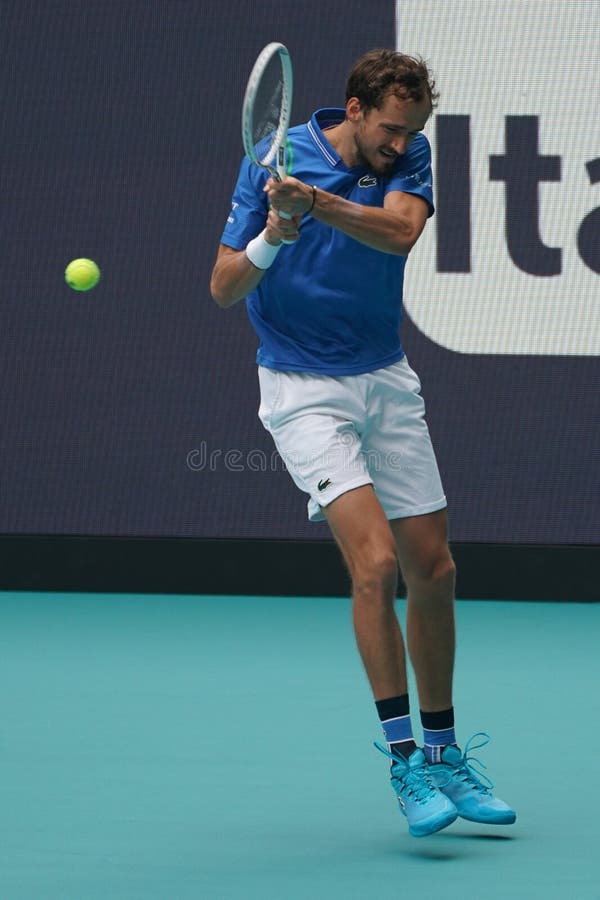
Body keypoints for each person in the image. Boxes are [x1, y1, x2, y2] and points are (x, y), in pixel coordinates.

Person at [210, 48, 516, 838]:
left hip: (384, 377)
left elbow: (402, 233)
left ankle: (448, 751)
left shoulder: (407, 155)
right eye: (388, 128)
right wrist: (277, 231)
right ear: (353, 109)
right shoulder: (272, 165)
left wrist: (315, 202)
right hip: (302, 391)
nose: (400, 142)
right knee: (376, 564)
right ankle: (406, 760)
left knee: (436, 568)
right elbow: (223, 287)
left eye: (410, 129)